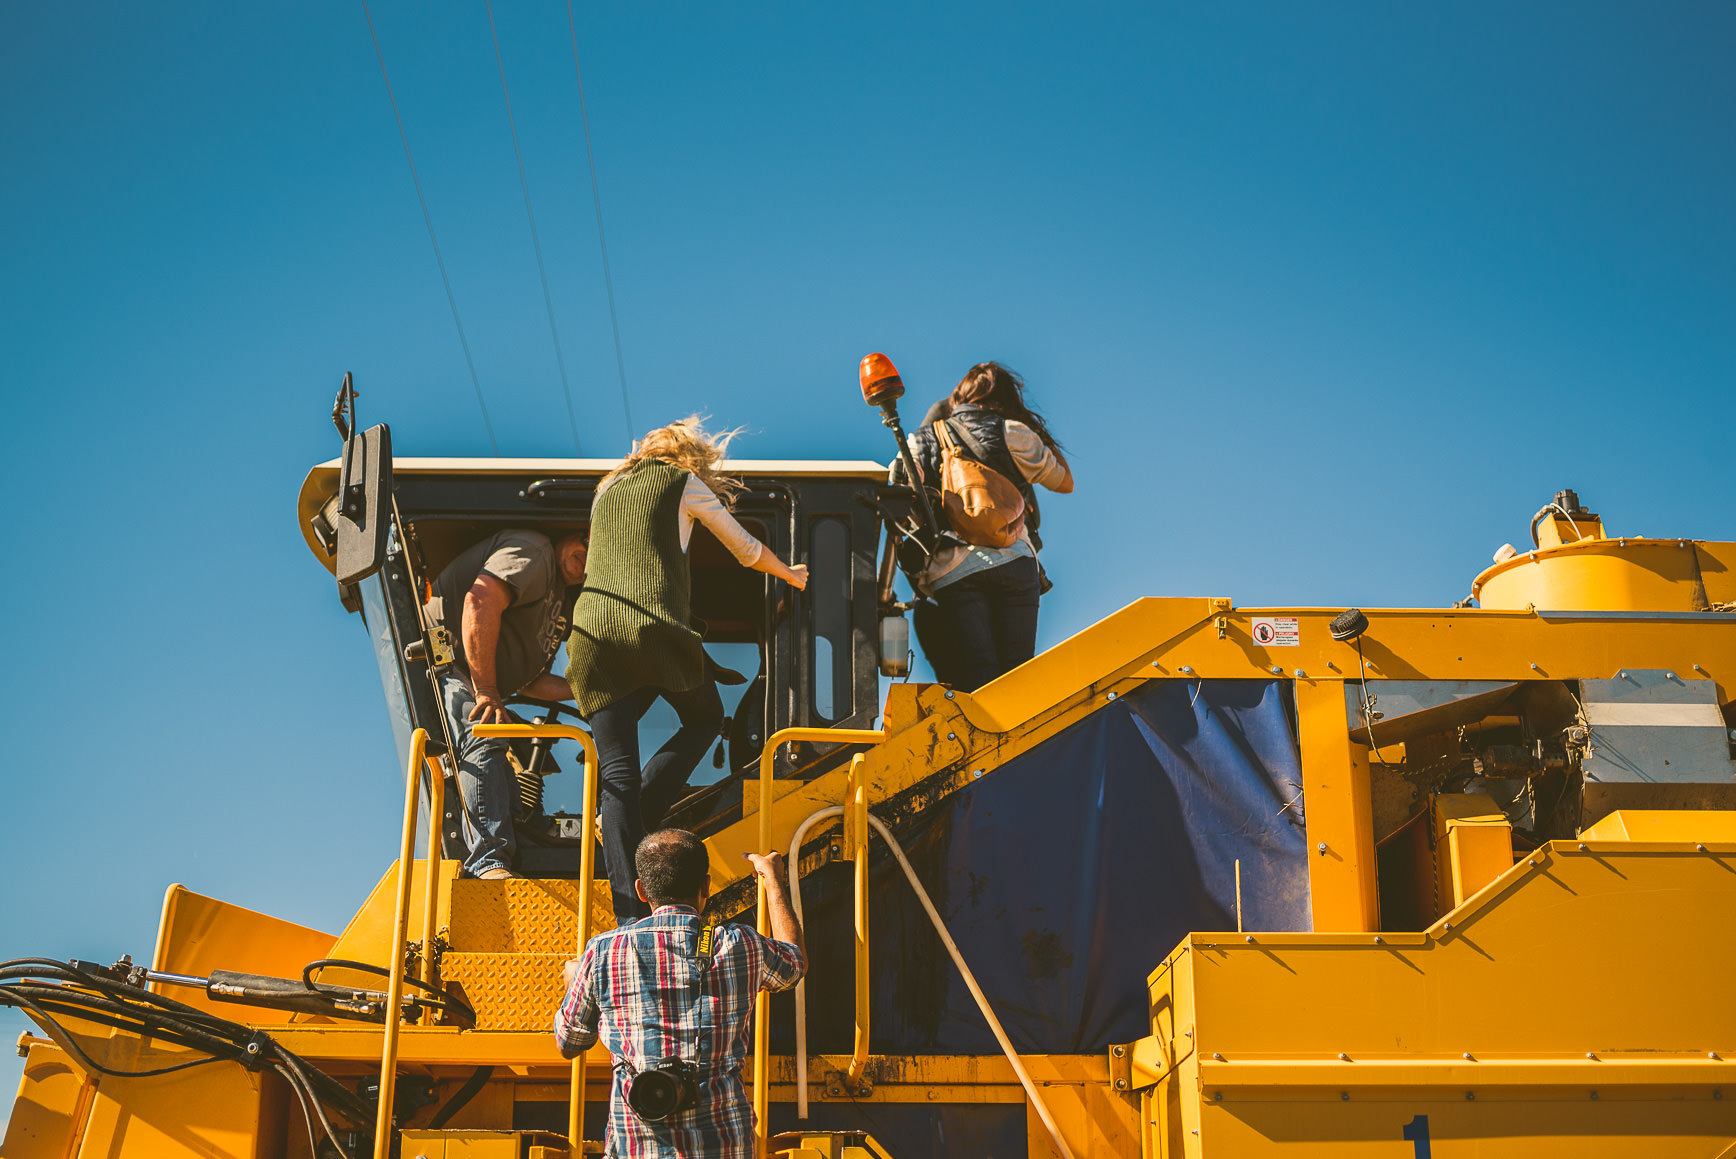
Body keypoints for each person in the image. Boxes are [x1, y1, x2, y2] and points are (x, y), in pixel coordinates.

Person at [567, 417, 808, 921]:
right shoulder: (681, 482)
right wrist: (790, 573)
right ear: (690, 456)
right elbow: (744, 548)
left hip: (590, 635)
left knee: (616, 775)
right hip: (652, 627)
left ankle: (629, 914)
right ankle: (640, 819)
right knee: (704, 718)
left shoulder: (606, 490)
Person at [553, 830, 806, 1159]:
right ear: (706, 887)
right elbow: (794, 962)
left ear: (641, 891)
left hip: (636, 1149)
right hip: (725, 1147)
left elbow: (569, 1043)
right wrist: (772, 879)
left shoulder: (603, 951)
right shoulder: (741, 944)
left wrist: (575, 983)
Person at [893, 362, 1072, 692]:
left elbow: (904, 487)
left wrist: (933, 422)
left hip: (955, 569)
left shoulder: (921, 439)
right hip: (1015, 559)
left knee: (980, 672)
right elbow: (1064, 481)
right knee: (1018, 675)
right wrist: (1033, 427)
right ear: (1003, 398)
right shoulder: (1013, 432)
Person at [426, 528, 589, 879]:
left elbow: (530, 683)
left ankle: (524, 844)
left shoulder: (561, 597)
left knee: (515, 755)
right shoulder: (536, 551)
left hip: (473, 676)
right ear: (564, 532)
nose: (587, 550)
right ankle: (488, 863)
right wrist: (486, 689)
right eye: (583, 538)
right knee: (485, 728)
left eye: (598, 547)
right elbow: (480, 601)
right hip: (442, 658)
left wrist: (590, 687)